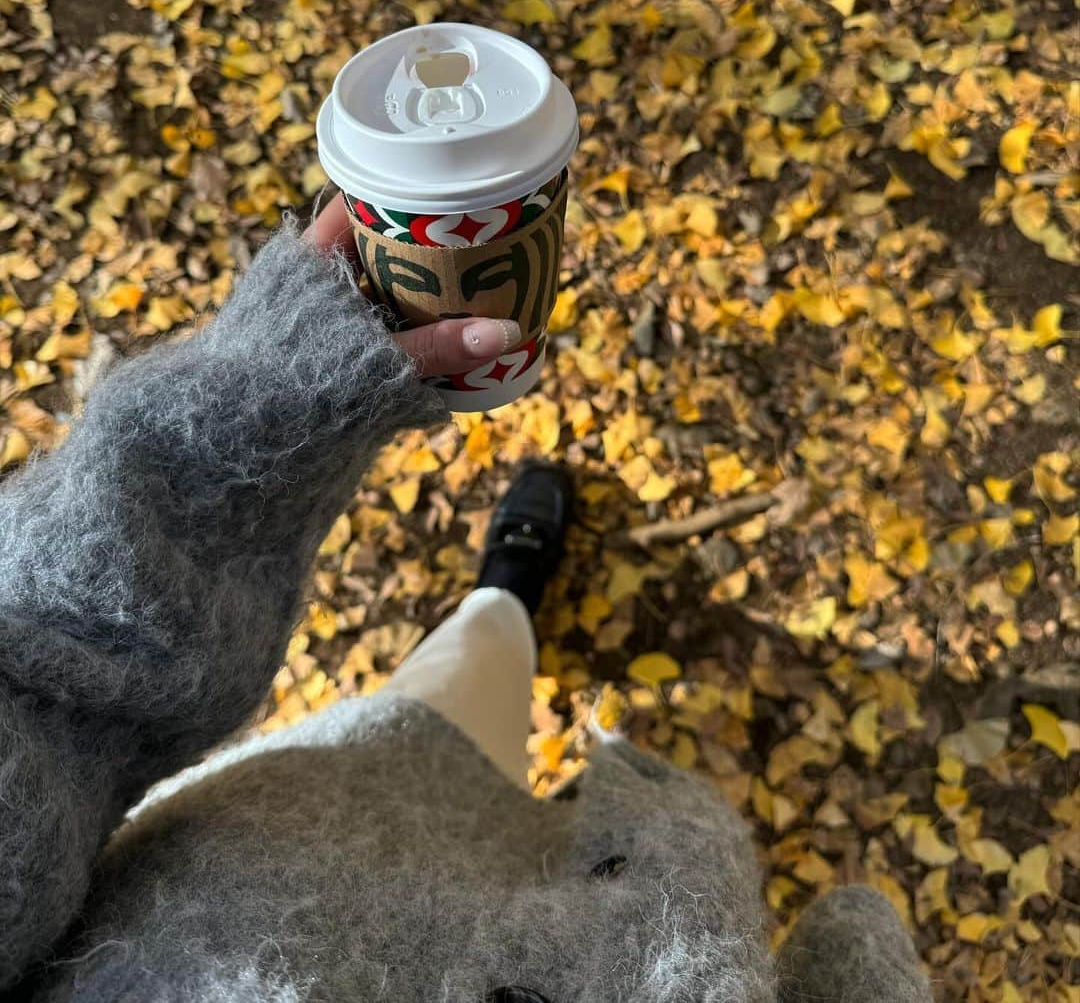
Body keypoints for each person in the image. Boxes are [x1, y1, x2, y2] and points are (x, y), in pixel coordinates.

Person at [0, 199, 934, 1003]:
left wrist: (247, 423)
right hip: (601, 924)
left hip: (353, 790)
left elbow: (39, 685)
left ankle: (506, 595)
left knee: (469, 669)